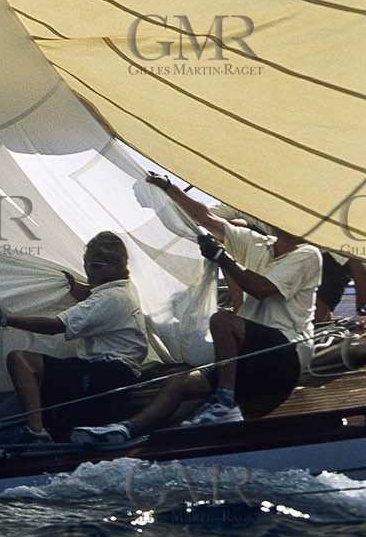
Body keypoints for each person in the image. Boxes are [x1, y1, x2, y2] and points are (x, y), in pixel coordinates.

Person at [72, 174, 322, 446]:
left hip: (285, 351)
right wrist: (170, 189)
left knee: (222, 321)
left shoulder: (308, 254)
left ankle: (224, 399)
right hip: (252, 354)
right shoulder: (258, 244)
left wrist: (222, 258)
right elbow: (207, 219)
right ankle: (125, 431)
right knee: (179, 383)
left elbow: (260, 288)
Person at [0, 231, 148, 443]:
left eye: (94, 266)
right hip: (118, 372)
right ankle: (48, 426)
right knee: (52, 372)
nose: (87, 271)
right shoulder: (125, 288)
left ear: (115, 266)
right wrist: (70, 284)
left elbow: (55, 326)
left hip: (106, 374)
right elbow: (93, 295)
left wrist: (6, 320)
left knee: (20, 360)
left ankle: (36, 432)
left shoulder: (110, 298)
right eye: (86, 264)